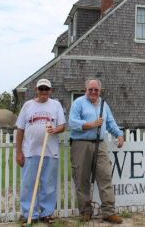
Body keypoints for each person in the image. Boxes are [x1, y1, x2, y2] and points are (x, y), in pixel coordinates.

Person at [69, 79, 124, 224]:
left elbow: (110, 122)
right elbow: (72, 122)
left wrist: (119, 134)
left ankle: (109, 212)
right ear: (85, 89)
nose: (93, 92)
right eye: (90, 89)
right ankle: (85, 212)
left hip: (100, 144)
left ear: (100, 90)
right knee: (82, 179)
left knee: (105, 176)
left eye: (96, 90)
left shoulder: (104, 105)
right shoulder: (78, 103)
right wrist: (90, 125)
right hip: (81, 144)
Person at [16, 78, 66, 225]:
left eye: (46, 89)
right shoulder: (28, 106)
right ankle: (28, 214)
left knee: (48, 184)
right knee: (28, 184)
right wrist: (19, 152)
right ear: (36, 90)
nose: (44, 91)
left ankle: (47, 213)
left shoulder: (55, 105)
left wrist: (54, 129)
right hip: (30, 151)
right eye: (41, 89)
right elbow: (20, 129)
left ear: (50, 90)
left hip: (50, 151)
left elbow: (62, 126)